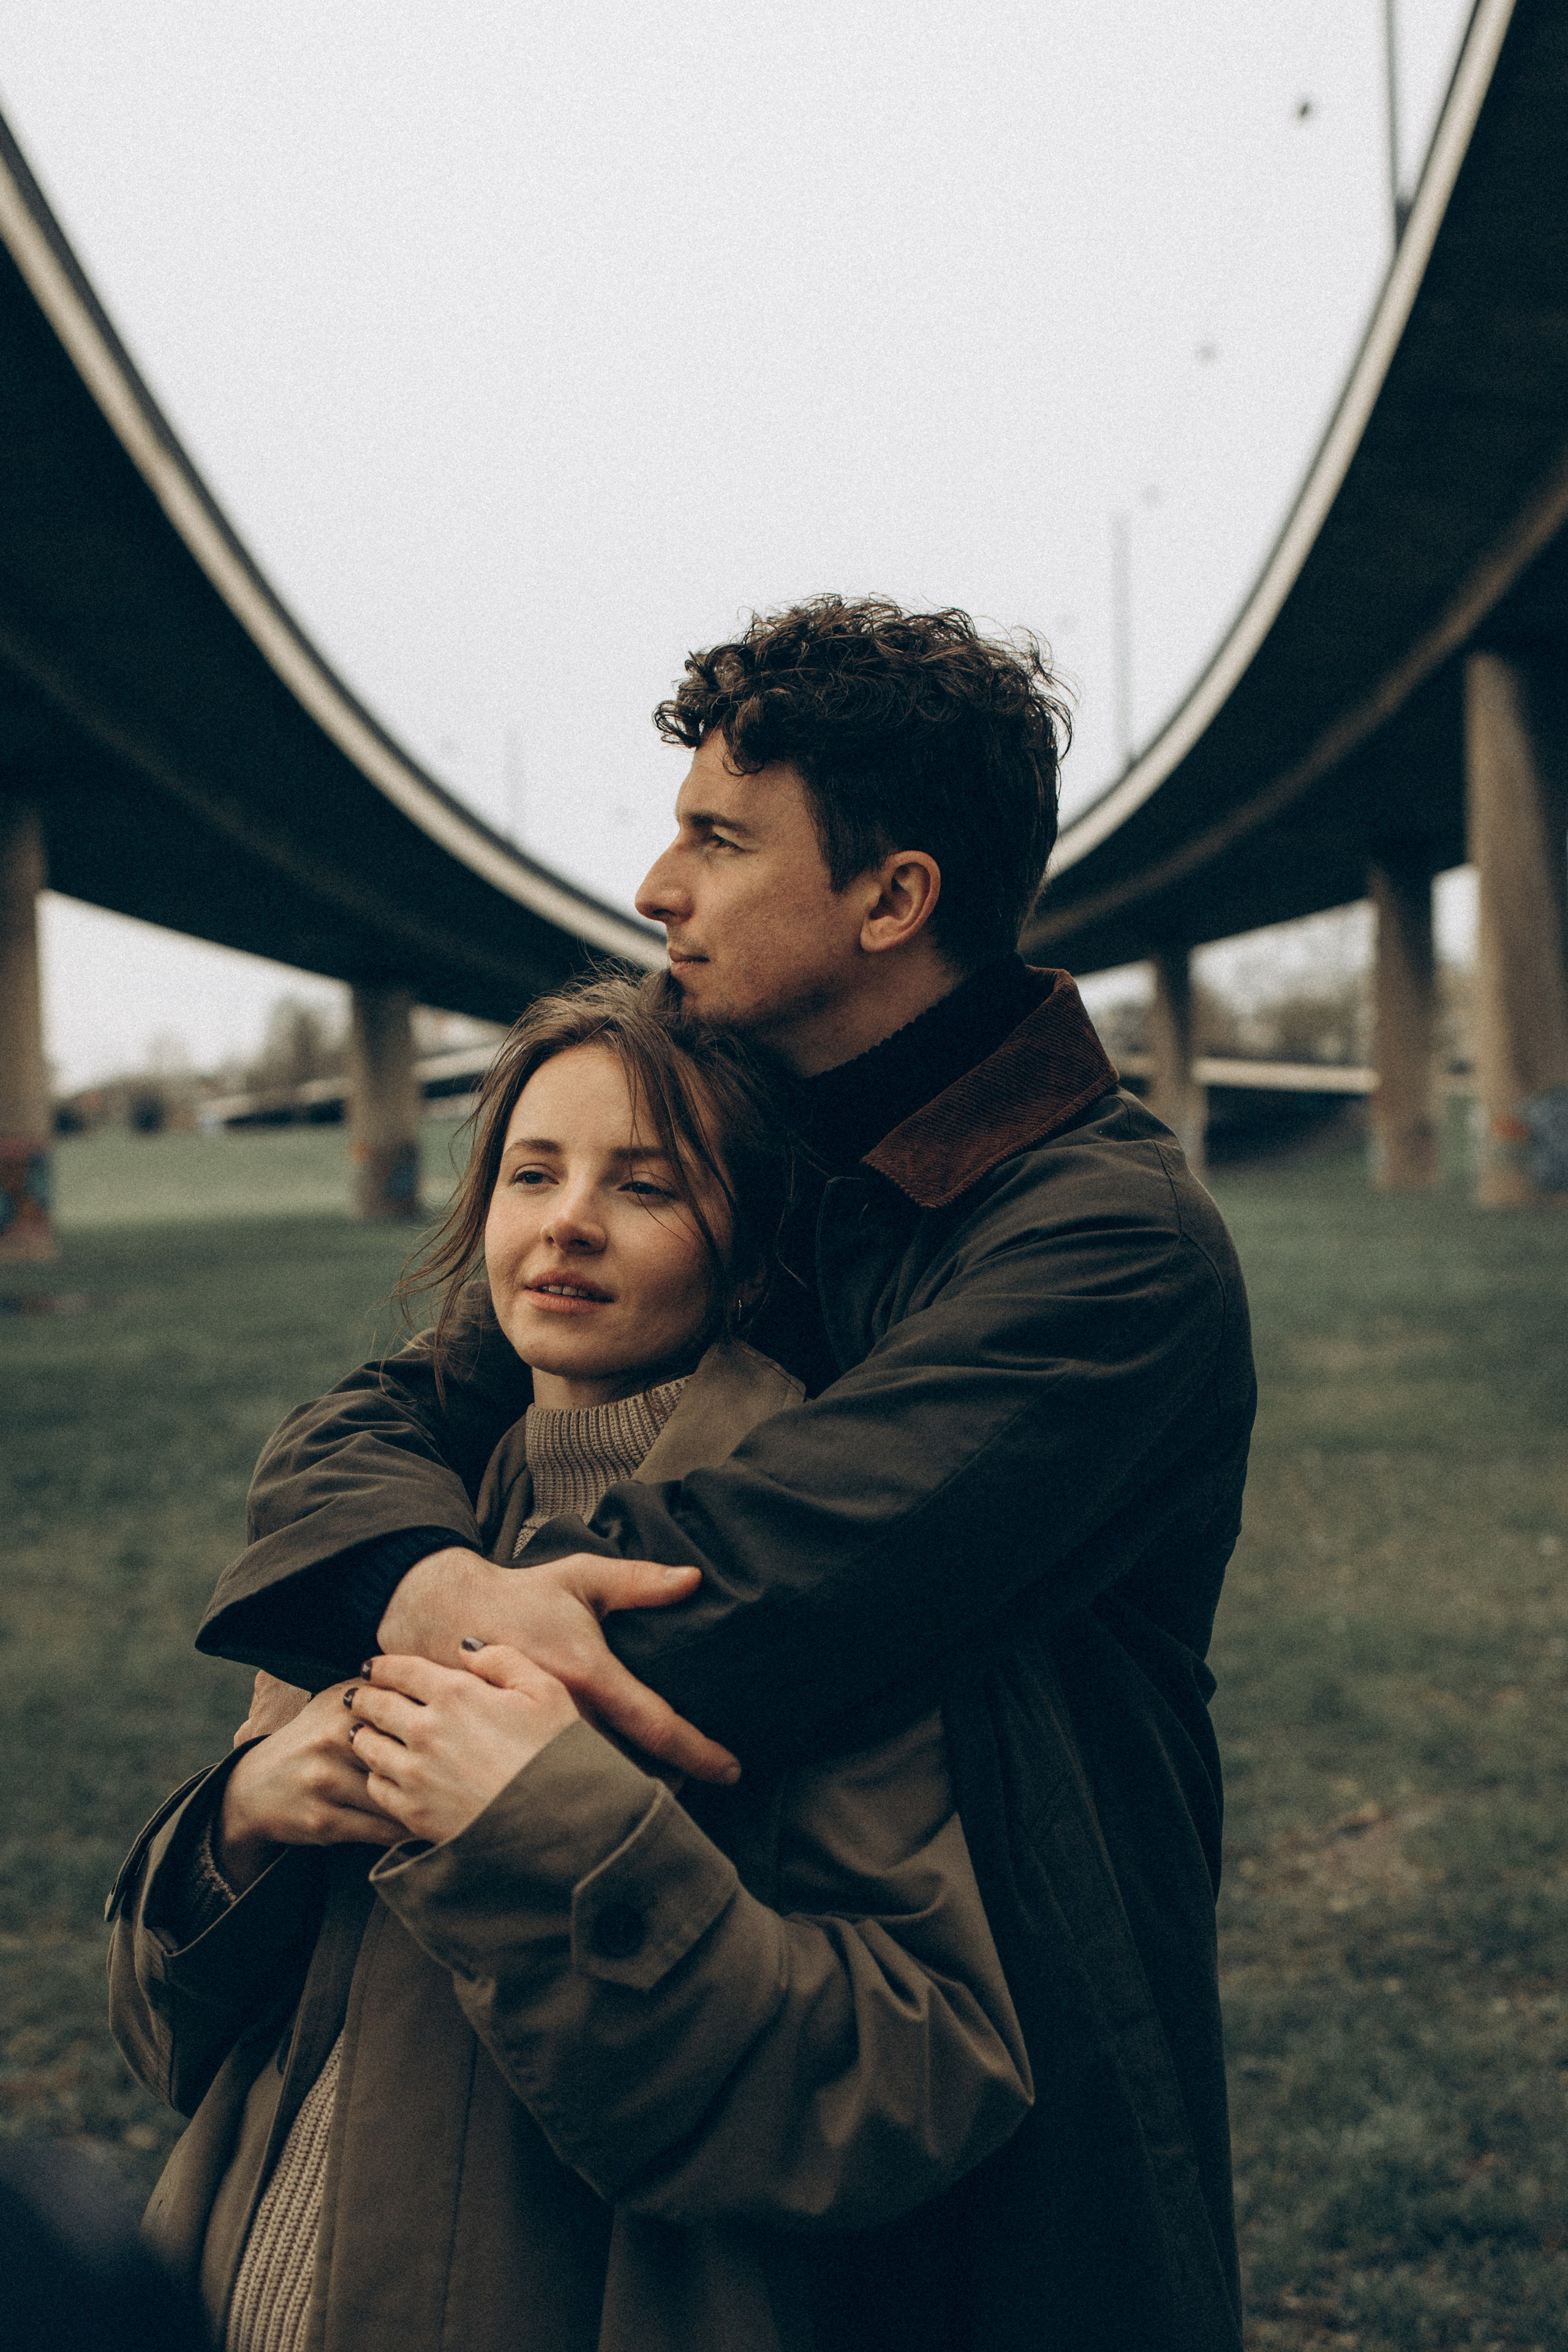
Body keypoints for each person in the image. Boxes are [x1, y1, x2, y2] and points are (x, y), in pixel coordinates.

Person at [197, 595, 1257, 2350]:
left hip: (1017, 2044)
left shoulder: (1105, 1246)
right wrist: (421, 1578)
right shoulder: (762, 1168)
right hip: (717, 2027)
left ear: (893, 900)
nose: (654, 887)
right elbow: (371, 1417)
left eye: (716, 837)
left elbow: (725, 1590)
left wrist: (392, 1666)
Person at [108, 976, 1033, 2352]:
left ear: (750, 1245)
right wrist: (237, 1826)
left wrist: (550, 1829)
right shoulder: (389, 1535)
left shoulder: (816, 1554)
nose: (566, 1223)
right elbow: (153, 2032)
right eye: (530, 1172)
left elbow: (909, 2082)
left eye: (645, 1186)